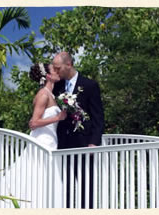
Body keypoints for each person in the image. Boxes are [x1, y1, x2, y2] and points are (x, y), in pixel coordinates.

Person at [52, 52, 105, 208]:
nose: (56, 72)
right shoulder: (57, 86)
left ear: (68, 64)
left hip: (83, 144)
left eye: (58, 68)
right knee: (64, 187)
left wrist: (94, 143)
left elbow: (98, 117)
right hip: (62, 144)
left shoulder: (89, 85)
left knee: (85, 186)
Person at [28, 63, 67, 150]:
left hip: (51, 140)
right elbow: (34, 123)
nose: (57, 72)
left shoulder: (50, 95)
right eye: (54, 70)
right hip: (42, 142)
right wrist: (58, 118)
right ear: (48, 76)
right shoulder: (43, 94)